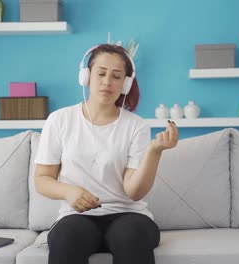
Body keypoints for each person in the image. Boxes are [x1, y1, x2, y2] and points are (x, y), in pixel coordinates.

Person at [34, 43, 179, 264]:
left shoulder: (136, 126)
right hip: (77, 217)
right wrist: (68, 192)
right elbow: (42, 179)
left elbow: (134, 192)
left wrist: (154, 152)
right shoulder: (60, 120)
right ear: (86, 76)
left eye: (116, 76)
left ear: (125, 84)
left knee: (130, 236)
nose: (107, 82)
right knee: (67, 237)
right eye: (101, 73)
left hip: (129, 216)